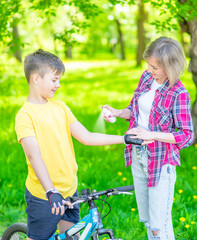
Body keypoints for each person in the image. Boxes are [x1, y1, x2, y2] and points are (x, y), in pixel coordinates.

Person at [15, 49, 151, 240]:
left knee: (72, 236)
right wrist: (50, 191)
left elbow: (86, 136)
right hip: (45, 196)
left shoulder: (60, 107)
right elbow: (33, 156)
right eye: (54, 80)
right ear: (36, 78)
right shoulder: (25, 115)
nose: (58, 85)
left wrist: (124, 138)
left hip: (70, 190)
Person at [103, 37, 194, 240]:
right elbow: (134, 111)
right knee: (148, 222)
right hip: (138, 155)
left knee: (158, 226)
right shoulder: (146, 78)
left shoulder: (179, 94)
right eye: (149, 64)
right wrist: (117, 113)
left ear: (170, 66)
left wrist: (151, 135)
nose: (150, 69)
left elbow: (187, 135)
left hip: (161, 163)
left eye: (155, 67)